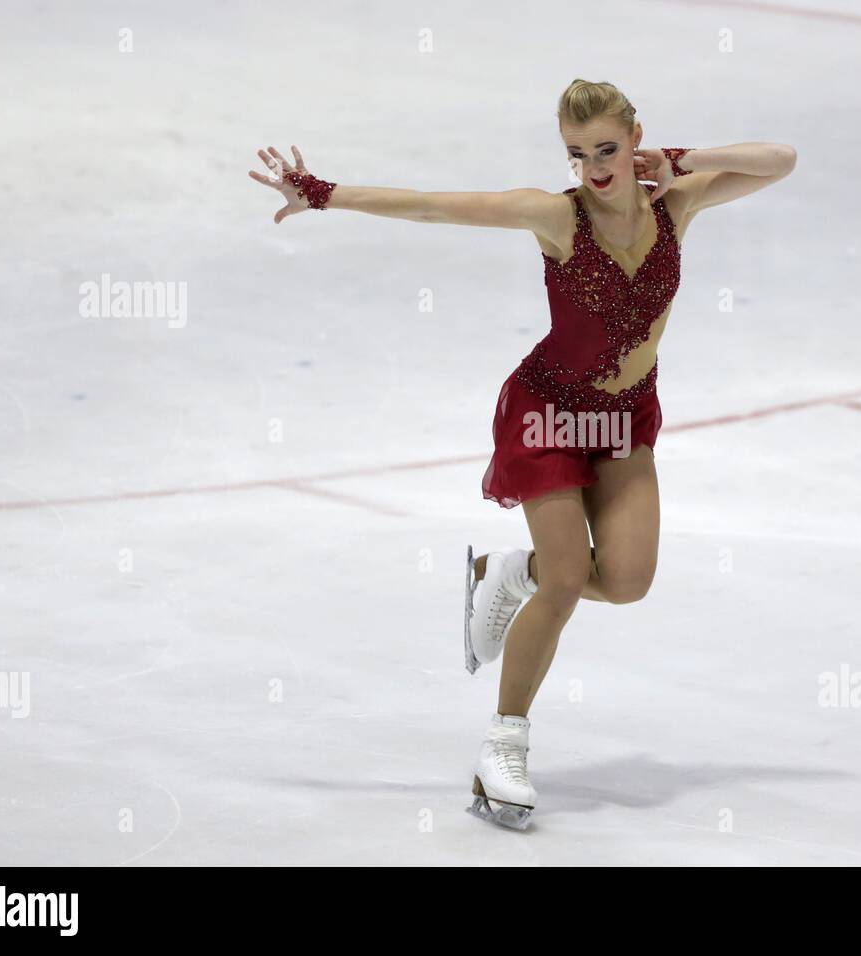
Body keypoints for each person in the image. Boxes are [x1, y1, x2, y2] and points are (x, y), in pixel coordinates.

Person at [249, 79, 796, 829]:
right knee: (571, 580)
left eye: (608, 148)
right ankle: (504, 745)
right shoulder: (555, 216)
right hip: (547, 413)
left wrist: (681, 159)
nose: (596, 168)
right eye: (579, 154)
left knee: (628, 581)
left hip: (625, 419)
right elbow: (434, 204)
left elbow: (782, 160)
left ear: (636, 136)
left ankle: (509, 574)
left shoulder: (677, 202)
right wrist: (322, 193)